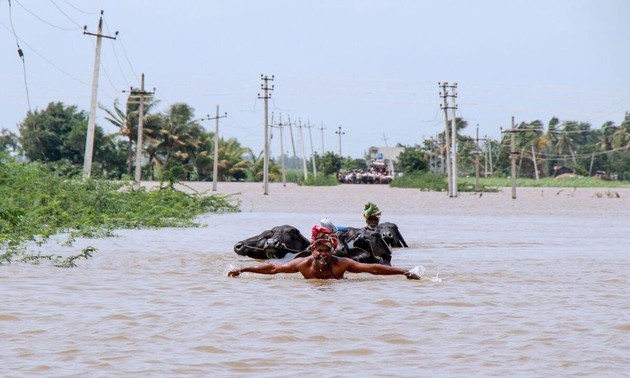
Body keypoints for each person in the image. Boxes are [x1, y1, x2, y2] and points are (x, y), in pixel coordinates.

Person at [228, 225, 420, 280]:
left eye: (326, 251)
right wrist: (244, 270)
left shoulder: (342, 263)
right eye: (319, 251)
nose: (322, 255)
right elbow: (272, 269)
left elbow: (373, 269)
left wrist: (404, 272)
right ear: (312, 250)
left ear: (331, 251)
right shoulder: (302, 264)